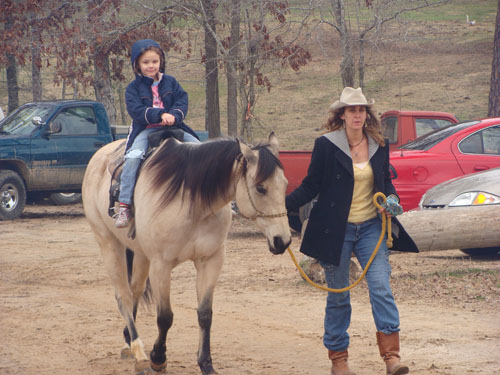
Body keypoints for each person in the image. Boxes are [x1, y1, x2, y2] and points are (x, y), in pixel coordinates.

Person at [285, 87, 418, 375]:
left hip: (372, 226)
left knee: (381, 287)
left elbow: (385, 183)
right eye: (352, 110)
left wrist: (392, 204)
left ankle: (392, 358)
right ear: (342, 115)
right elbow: (311, 185)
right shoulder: (326, 145)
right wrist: (282, 208)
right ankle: (339, 360)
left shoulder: (378, 144)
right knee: (338, 294)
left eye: (361, 110)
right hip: (336, 230)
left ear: (366, 115)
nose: (357, 114)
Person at [115, 39, 200, 228]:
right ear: (137, 64)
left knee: (202, 151)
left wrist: (174, 115)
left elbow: (182, 101)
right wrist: (159, 114)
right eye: (146, 62)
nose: (151, 66)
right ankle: (124, 205)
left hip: (174, 129)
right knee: (133, 157)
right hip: (146, 129)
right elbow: (136, 111)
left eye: (154, 61)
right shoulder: (133, 88)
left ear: (161, 62)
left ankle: (213, 197)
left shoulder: (171, 82)